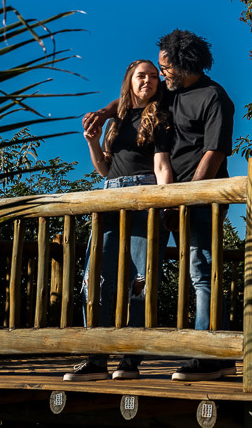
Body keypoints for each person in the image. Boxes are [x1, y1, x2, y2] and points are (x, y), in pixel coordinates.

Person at [83, 29, 236, 382]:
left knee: (201, 272)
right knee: (195, 272)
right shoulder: (173, 92)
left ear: (183, 64)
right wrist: (105, 113)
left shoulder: (214, 97)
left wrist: (187, 197)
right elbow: (130, 95)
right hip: (171, 197)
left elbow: (214, 152)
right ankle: (222, 355)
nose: (161, 73)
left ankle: (208, 355)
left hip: (201, 196)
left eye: (165, 67)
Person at [65, 60, 172, 382]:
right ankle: (95, 356)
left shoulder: (161, 116)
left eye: (154, 77)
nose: (149, 81)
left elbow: (162, 165)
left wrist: (168, 203)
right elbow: (103, 170)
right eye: (142, 76)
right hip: (110, 196)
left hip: (145, 196)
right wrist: (91, 141)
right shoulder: (118, 119)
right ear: (129, 80)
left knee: (140, 280)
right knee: (95, 277)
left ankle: (130, 358)